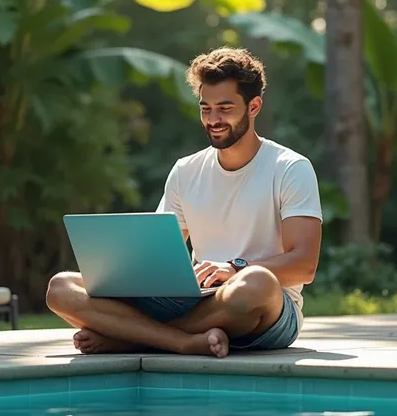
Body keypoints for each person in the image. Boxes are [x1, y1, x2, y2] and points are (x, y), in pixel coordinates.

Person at [46, 47, 322, 358]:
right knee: (61, 288)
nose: (213, 119)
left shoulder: (290, 168)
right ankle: (183, 342)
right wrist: (127, 273)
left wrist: (235, 268)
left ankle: (132, 339)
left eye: (225, 108)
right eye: (206, 109)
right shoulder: (185, 170)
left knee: (254, 283)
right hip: (195, 299)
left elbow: (304, 265)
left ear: (254, 106)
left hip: (262, 306)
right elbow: (160, 259)